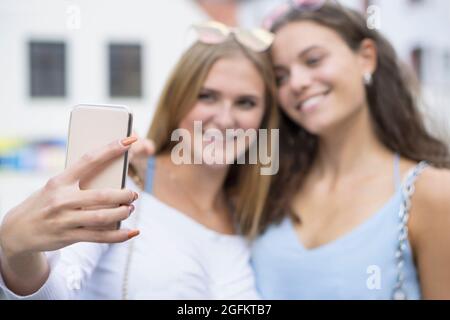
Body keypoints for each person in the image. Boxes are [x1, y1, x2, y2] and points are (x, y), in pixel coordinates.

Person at [0, 23, 279, 299]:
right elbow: (58, 288)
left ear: (264, 118)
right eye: (206, 96)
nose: (225, 118)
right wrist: (18, 250)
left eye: (246, 103)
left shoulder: (249, 214)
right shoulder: (127, 181)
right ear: (177, 99)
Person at [250, 0, 450, 300]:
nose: (298, 83)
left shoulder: (433, 194)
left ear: (366, 58)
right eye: (281, 77)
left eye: (313, 60)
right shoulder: (266, 185)